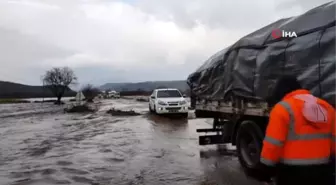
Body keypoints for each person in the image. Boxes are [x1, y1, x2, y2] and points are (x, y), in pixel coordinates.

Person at [260, 75, 336, 185]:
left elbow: (273, 144)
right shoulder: (327, 107)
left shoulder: (282, 109)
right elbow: (334, 141)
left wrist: (266, 168)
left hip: (292, 172)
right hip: (323, 170)